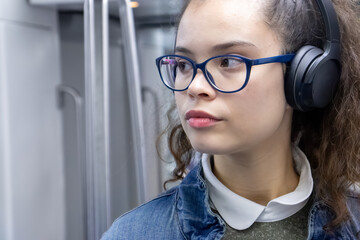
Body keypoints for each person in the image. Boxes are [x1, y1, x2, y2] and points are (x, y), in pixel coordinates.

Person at [102, 0, 360, 239]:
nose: (195, 86)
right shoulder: (132, 234)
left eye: (228, 61)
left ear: (304, 78)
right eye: (183, 64)